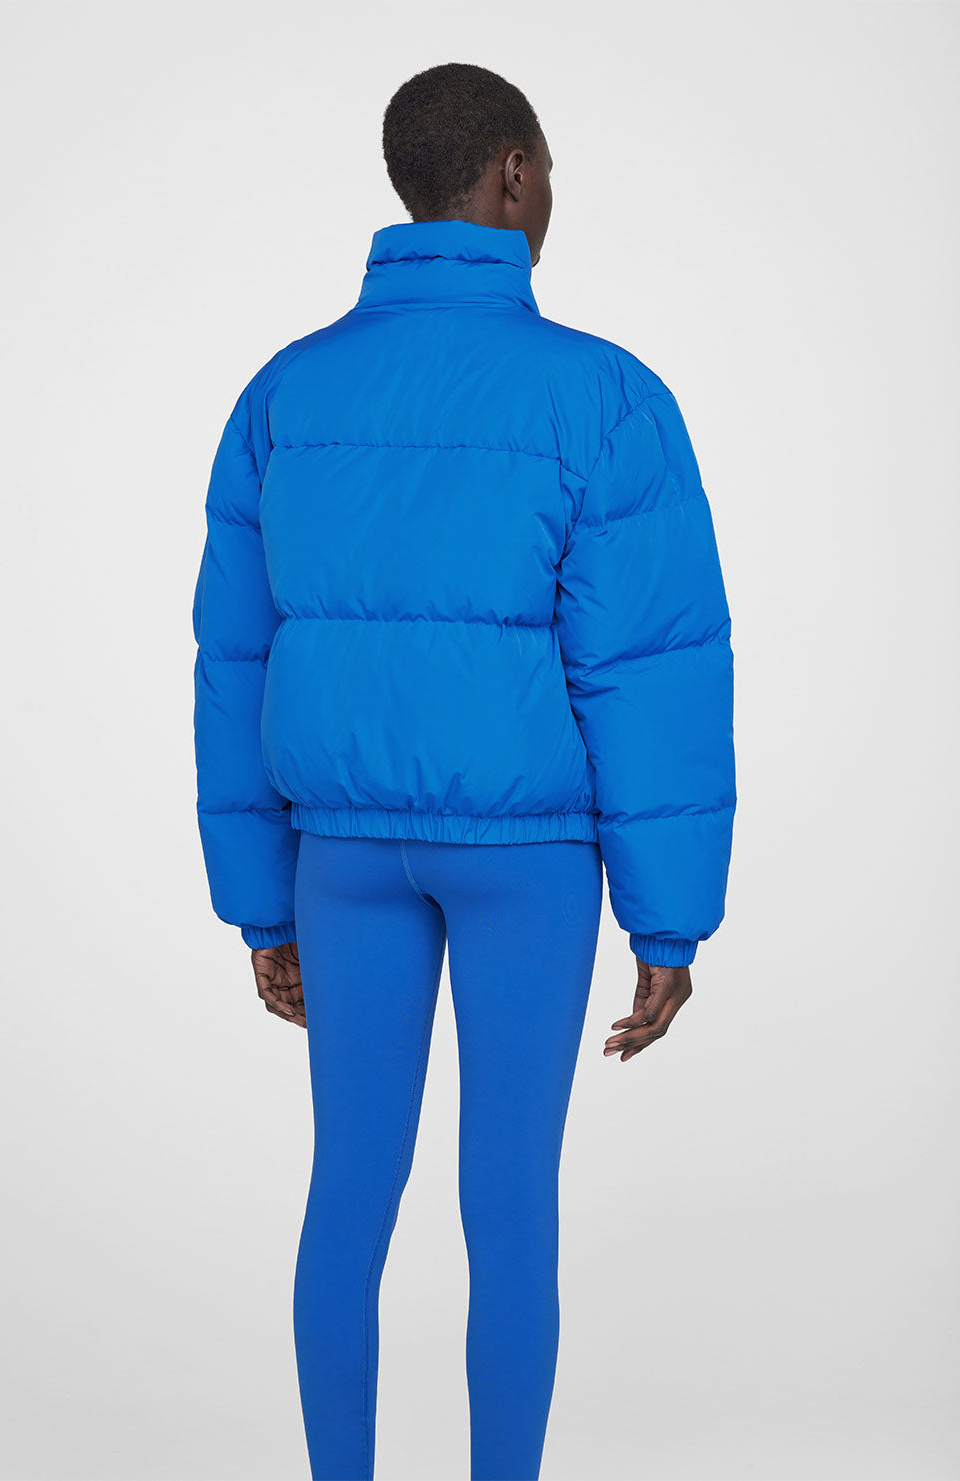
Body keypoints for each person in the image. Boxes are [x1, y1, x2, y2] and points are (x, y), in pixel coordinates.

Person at [192, 61, 736, 1481]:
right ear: (511, 172)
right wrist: (667, 921)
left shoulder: (284, 392)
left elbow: (234, 659)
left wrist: (261, 904)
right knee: (508, 1206)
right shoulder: (604, 396)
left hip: (340, 859)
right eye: (547, 173)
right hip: (524, 861)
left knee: (347, 1193)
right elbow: (648, 668)